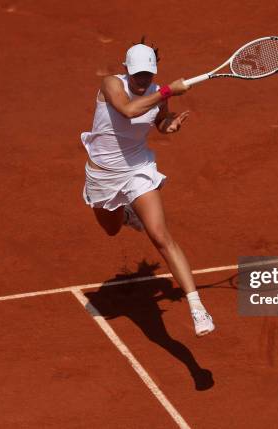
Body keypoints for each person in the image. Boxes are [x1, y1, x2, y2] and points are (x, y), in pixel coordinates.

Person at [80, 37, 215, 337]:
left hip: (138, 169)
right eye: (137, 73)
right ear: (127, 69)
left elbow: (159, 121)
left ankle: (198, 308)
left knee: (160, 235)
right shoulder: (111, 85)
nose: (142, 80)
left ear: (154, 72)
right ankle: (127, 215)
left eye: (147, 75)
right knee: (111, 229)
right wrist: (167, 91)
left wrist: (169, 125)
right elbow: (128, 111)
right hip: (103, 176)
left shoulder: (157, 93)